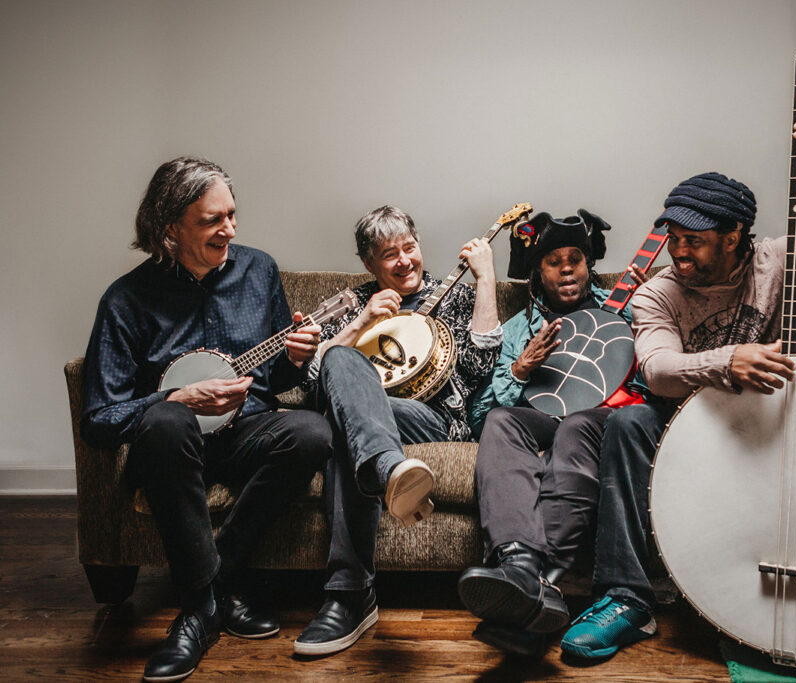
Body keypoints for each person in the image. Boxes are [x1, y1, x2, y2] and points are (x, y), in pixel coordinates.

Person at [559, 110, 796, 660]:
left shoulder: (781, 261)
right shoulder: (656, 292)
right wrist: (728, 360)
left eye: (695, 241)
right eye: (673, 239)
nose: (679, 254)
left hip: (772, 423)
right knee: (628, 420)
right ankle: (625, 599)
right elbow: (659, 370)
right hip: (690, 423)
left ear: (735, 237)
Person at [81, 157, 332, 682]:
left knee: (311, 431)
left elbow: (276, 383)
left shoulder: (258, 269)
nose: (230, 229)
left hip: (247, 432)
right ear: (170, 227)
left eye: (232, 215)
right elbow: (99, 418)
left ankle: (218, 579)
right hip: (172, 447)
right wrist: (175, 398)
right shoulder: (126, 300)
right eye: (212, 220)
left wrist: (295, 356)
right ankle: (199, 608)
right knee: (168, 422)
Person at [293, 205, 502, 656]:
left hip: (432, 418)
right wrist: (362, 323)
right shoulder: (355, 301)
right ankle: (386, 467)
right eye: (390, 254)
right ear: (370, 264)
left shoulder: (455, 295)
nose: (405, 260)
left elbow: (482, 362)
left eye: (410, 247)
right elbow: (314, 378)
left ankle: (348, 595)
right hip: (366, 412)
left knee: (341, 426)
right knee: (339, 374)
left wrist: (485, 277)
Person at [457, 210, 648, 656]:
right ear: (536, 274)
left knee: (579, 426)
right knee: (504, 421)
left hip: (604, 416)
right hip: (542, 413)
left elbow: (654, 376)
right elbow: (480, 416)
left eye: (575, 259)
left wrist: (642, 317)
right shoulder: (518, 328)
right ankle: (518, 563)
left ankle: (543, 583)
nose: (566, 268)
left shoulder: (624, 304)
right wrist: (521, 367)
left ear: (588, 264)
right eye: (553, 261)